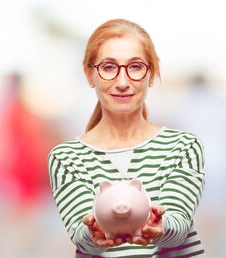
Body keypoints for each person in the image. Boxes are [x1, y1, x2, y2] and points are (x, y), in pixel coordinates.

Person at [48, 19, 206, 257]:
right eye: (109, 68)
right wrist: (96, 233)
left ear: (150, 74)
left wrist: (159, 228)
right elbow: (81, 235)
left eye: (135, 67)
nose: (122, 82)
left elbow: (178, 224)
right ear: (90, 75)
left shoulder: (183, 147)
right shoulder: (66, 158)